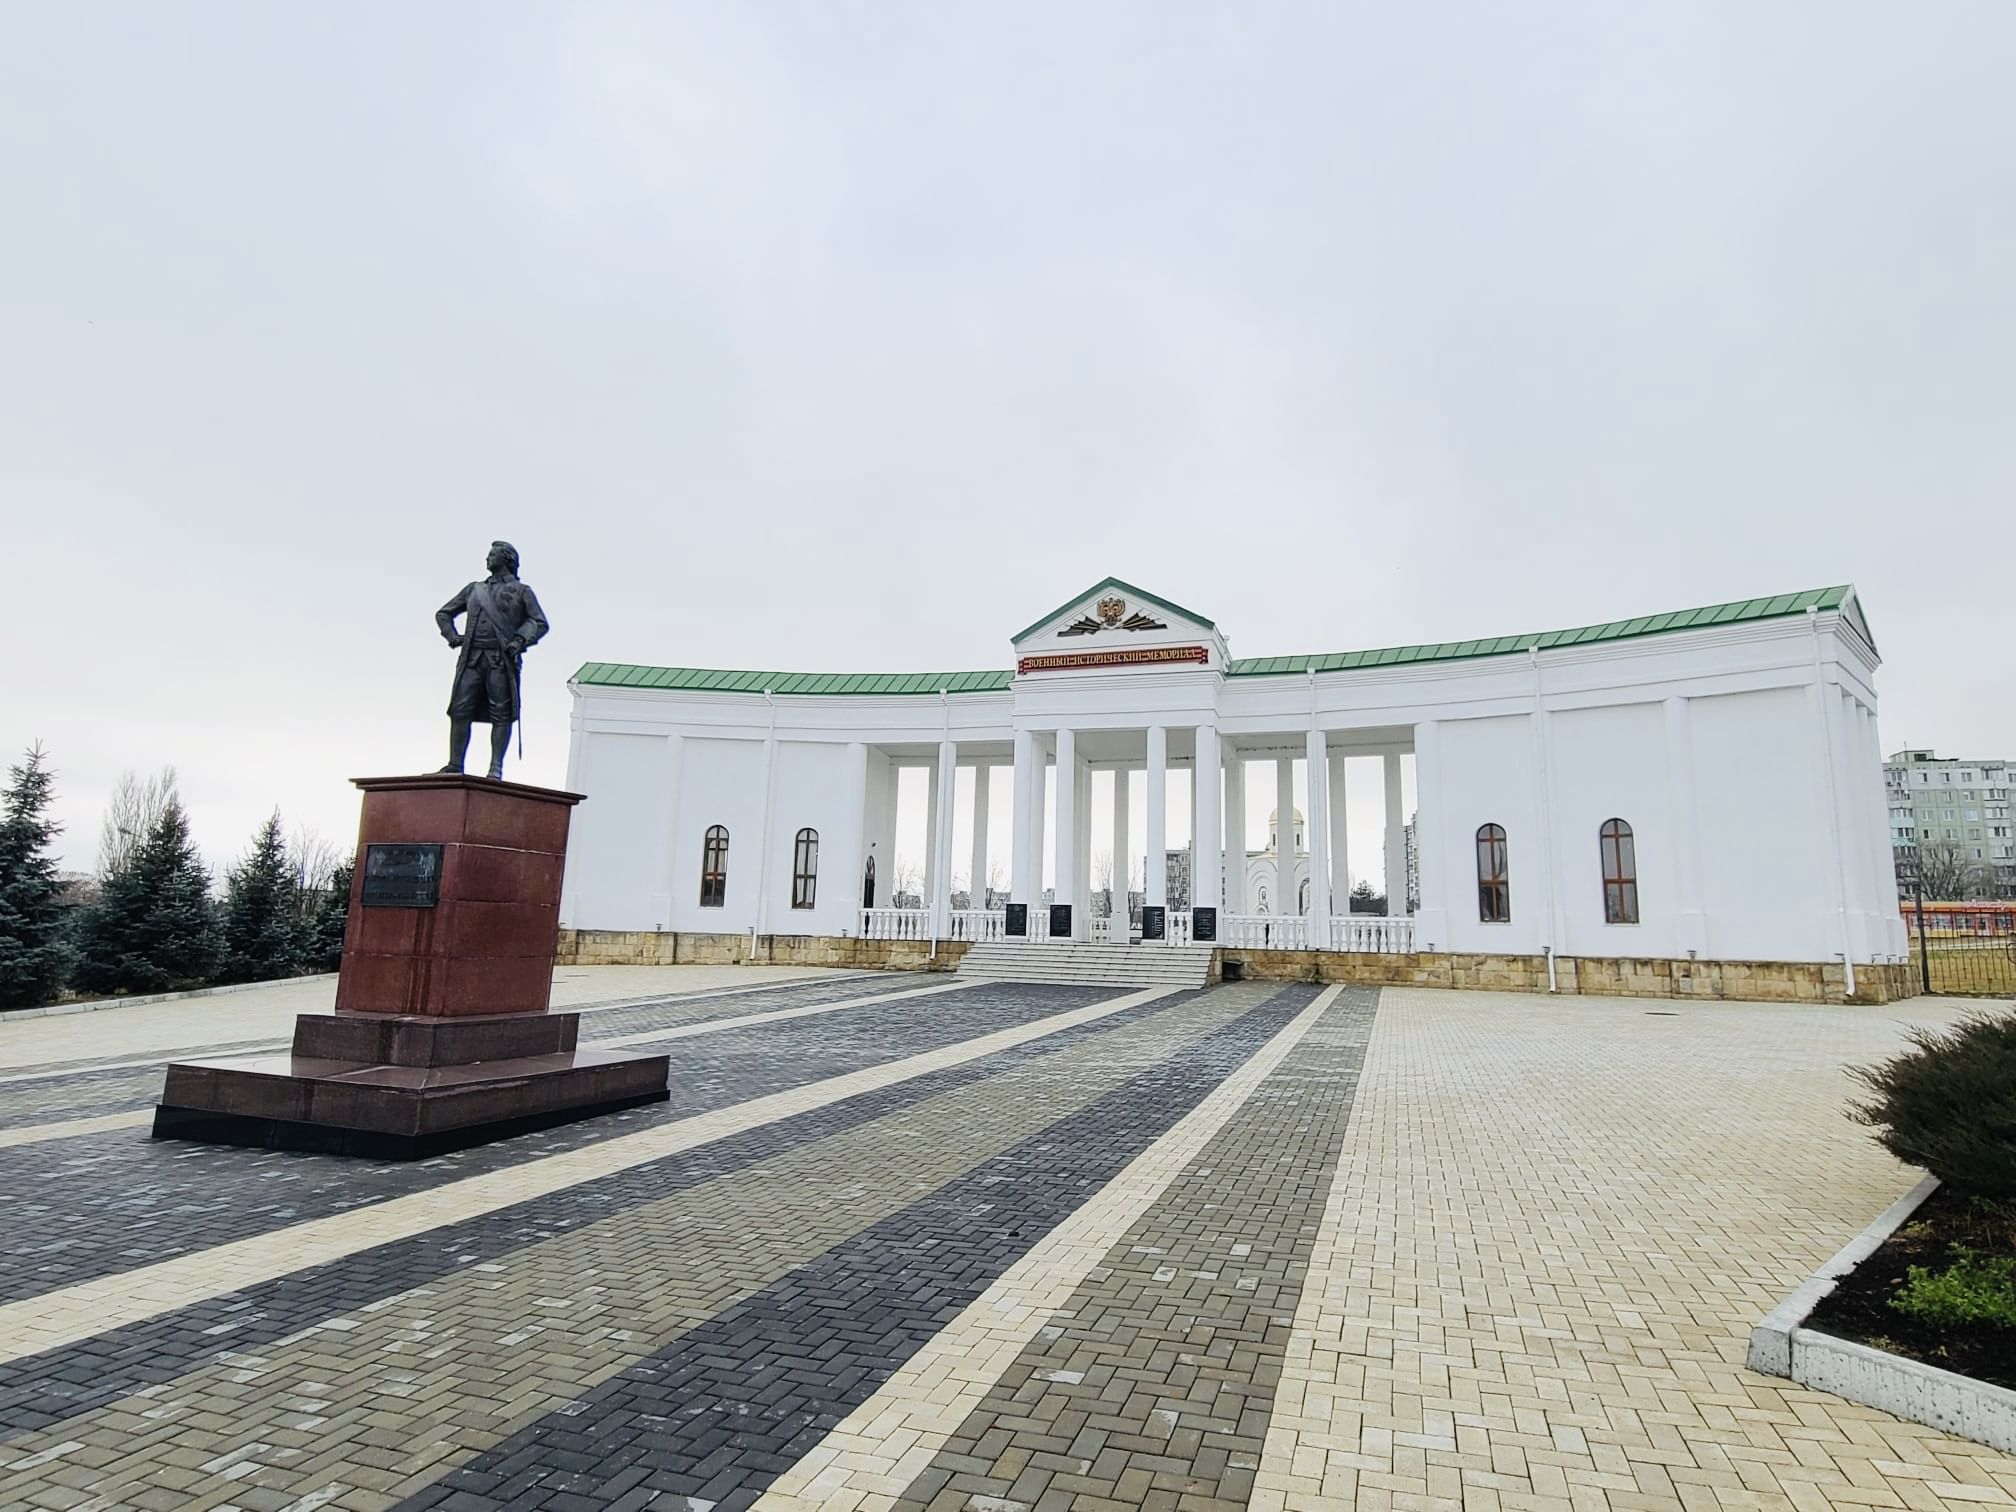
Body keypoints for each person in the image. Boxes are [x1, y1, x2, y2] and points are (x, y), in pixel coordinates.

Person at [435, 540, 549, 779]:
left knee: (502, 713)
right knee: (459, 710)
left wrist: (519, 640)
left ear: (506, 559)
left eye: (492, 555)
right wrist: (453, 636)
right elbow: (444, 613)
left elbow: (538, 621)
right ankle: (455, 764)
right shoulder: (474, 590)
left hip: (500, 660)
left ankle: (495, 767)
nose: (487, 559)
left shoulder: (522, 591)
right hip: (472, 659)